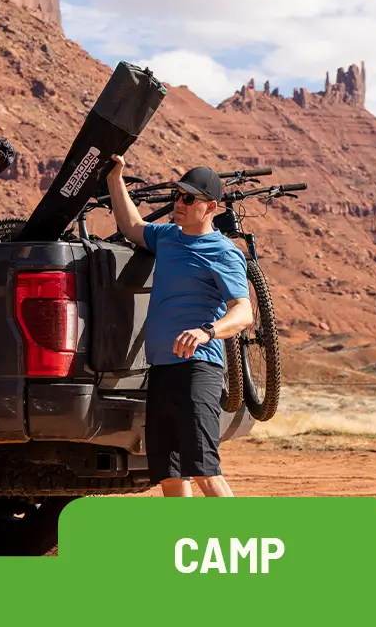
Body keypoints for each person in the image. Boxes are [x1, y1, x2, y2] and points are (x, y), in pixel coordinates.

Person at [106, 156, 253, 498]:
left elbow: (243, 312)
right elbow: (131, 226)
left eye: (189, 198)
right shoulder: (168, 238)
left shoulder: (223, 252)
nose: (179, 203)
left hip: (198, 369)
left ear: (211, 207)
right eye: (178, 195)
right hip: (162, 368)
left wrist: (208, 331)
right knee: (170, 475)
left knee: (204, 468)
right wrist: (116, 177)